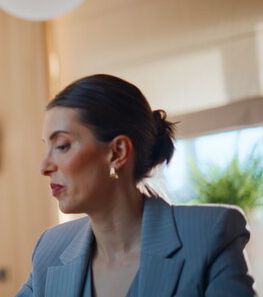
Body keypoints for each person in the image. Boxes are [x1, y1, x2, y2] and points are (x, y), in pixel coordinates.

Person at [15, 74, 255, 297]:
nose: (44, 167)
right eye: (47, 147)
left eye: (62, 146)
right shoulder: (51, 248)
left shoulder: (209, 234)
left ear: (117, 152)